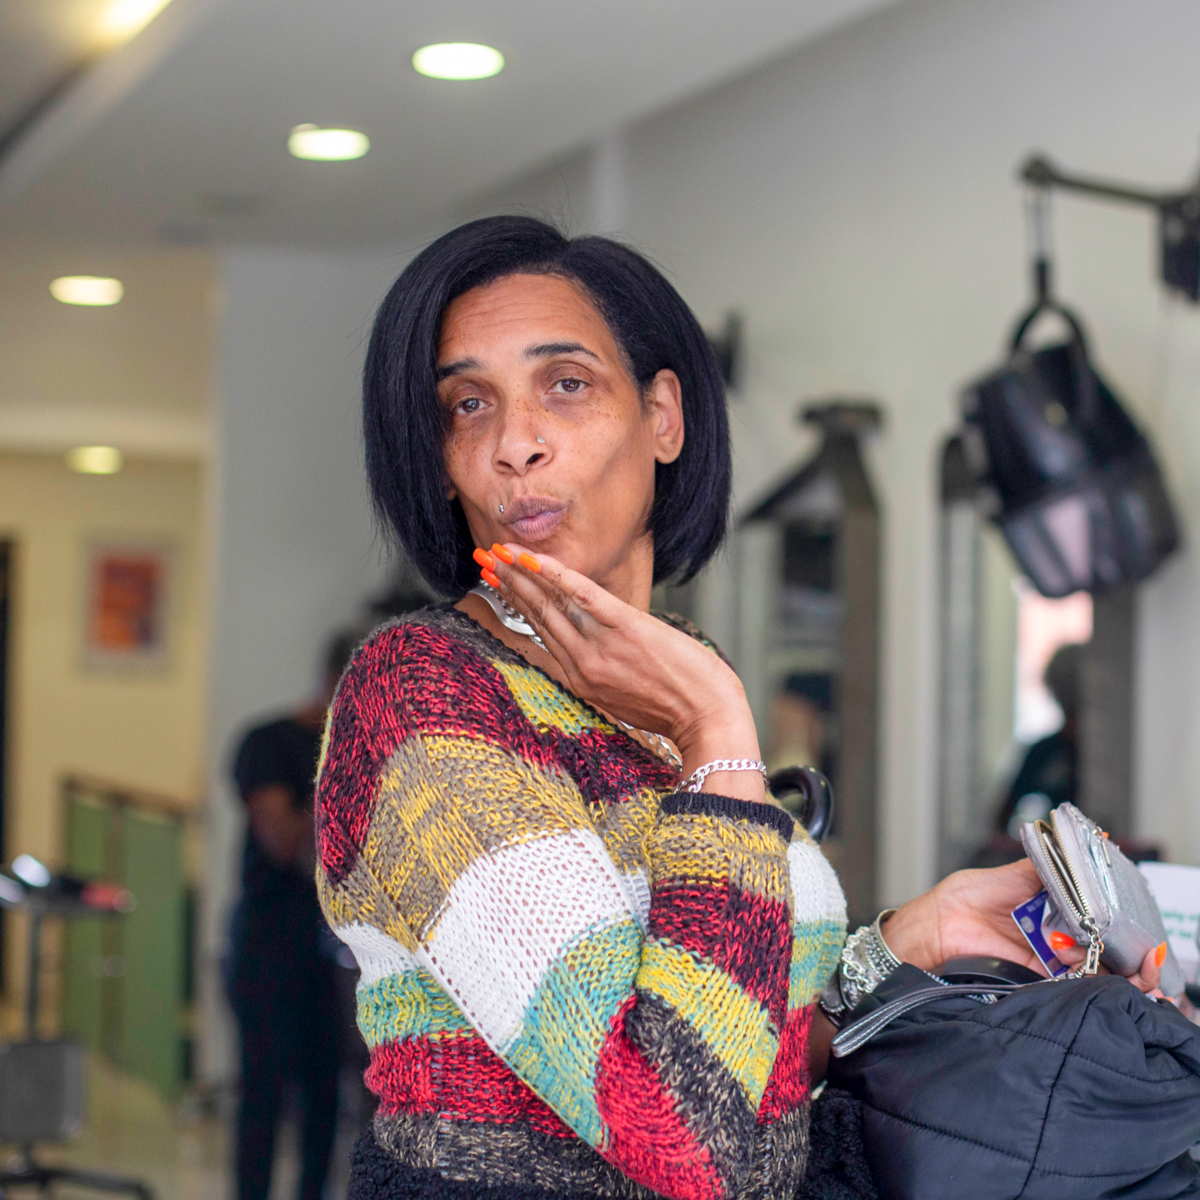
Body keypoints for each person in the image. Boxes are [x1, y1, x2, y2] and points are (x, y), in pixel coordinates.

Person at [313, 216, 1165, 1200]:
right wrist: (716, 734)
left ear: (663, 416)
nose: (515, 445)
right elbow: (690, 1137)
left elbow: (738, 1036)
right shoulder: (423, 694)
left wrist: (907, 944)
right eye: (469, 404)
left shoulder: (675, 676)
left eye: (566, 383)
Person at [227, 632, 357, 1200]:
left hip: (337, 953)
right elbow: (284, 842)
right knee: (263, 1095)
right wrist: (345, 776)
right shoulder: (269, 743)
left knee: (326, 1097)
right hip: (269, 945)